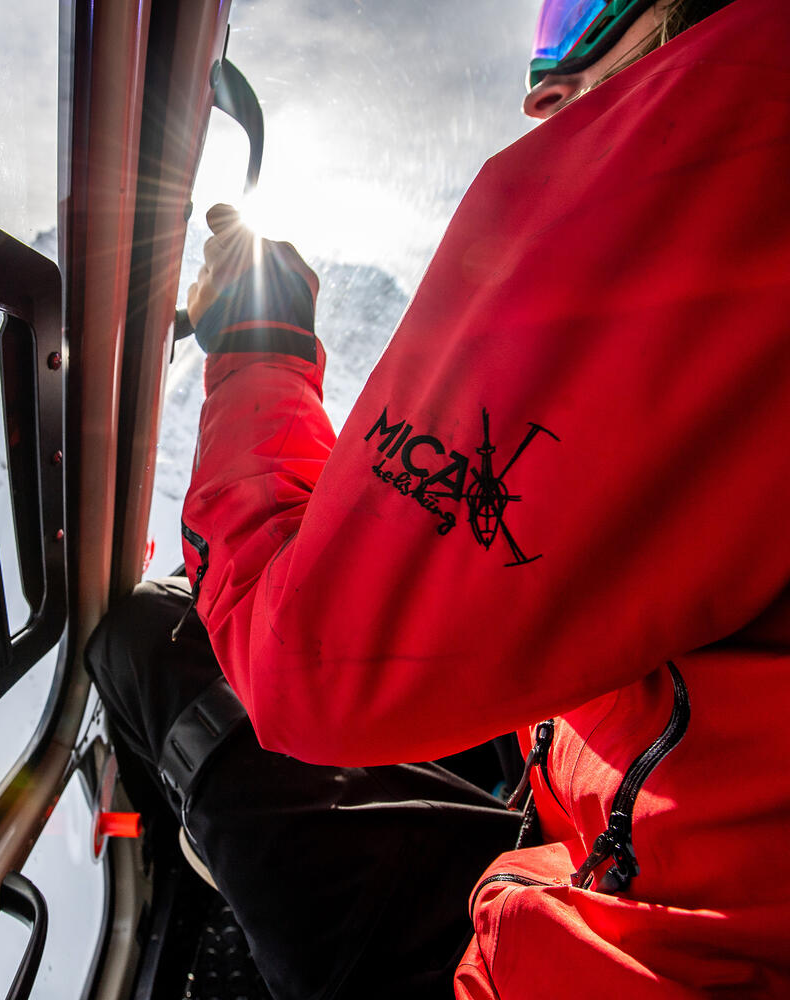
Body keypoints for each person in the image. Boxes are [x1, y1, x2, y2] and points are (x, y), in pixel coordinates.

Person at [87, 0, 790, 996]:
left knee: (153, 637)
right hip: (652, 860)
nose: (544, 87)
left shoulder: (735, 125)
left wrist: (260, 349)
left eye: (585, 14)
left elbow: (305, 661)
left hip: (638, 956)